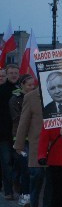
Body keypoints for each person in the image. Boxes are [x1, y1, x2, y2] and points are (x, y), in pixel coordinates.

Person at [14, 81, 51, 207]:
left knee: (51, 179)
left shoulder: (59, 94)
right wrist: (19, 144)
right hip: (36, 143)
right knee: (37, 175)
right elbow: (24, 122)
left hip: (54, 143)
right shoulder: (30, 97)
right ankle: (34, 204)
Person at [9, 74, 36, 207]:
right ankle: (23, 193)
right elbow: (17, 118)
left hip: (33, 137)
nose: (32, 87)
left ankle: (28, 193)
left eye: (33, 85)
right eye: (29, 85)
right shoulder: (15, 99)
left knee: (31, 168)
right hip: (20, 137)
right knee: (23, 166)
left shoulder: (36, 98)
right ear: (22, 85)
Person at [0, 63, 20, 200]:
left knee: (18, 162)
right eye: (11, 73)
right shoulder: (1, 90)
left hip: (19, 134)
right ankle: (8, 191)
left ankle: (18, 188)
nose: (13, 75)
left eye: (15, 73)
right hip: (3, 134)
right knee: (6, 162)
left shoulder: (23, 89)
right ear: (7, 75)